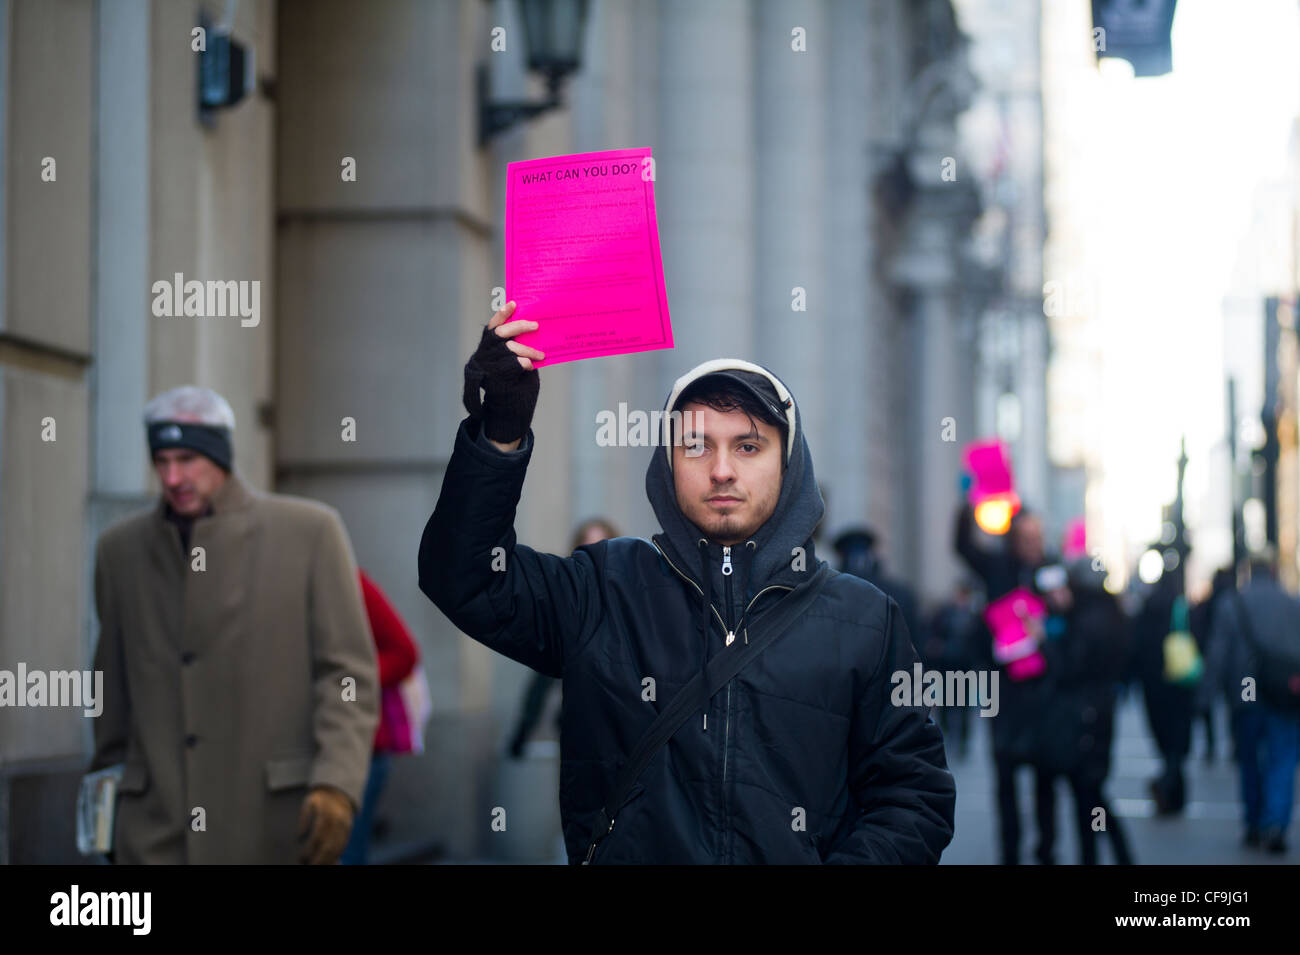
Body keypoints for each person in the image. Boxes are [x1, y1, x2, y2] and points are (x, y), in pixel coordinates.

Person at [419, 303, 956, 863]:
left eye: (748, 446)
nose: (721, 469)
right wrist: (499, 435)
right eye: (696, 445)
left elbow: (914, 796)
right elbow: (464, 576)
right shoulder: (602, 588)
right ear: (667, 462)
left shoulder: (864, 618)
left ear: (788, 462)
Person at [89, 386, 378, 864]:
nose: (173, 476)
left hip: (275, 825)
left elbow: (347, 674)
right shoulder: (119, 550)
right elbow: (111, 694)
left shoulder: (310, 532)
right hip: (153, 831)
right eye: (161, 461)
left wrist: (337, 783)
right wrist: (103, 818)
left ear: (221, 454)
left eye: (187, 458)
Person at [954, 502, 1064, 864]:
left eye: (1038, 537)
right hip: (1003, 692)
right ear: (1014, 539)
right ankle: (1011, 853)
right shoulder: (997, 567)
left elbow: (1071, 624)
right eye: (1026, 537)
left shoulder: (1052, 571)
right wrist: (967, 503)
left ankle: (1046, 850)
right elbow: (963, 546)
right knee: (1006, 779)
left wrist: (1050, 625)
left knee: (1045, 779)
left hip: (1044, 693)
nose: (1033, 544)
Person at [1200, 549, 1300, 853]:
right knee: (1282, 759)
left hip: (1246, 692)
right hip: (1284, 692)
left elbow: (1218, 653)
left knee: (1249, 760)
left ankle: (1254, 822)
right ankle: (1275, 823)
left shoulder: (1233, 603)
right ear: (1272, 570)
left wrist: (1206, 694)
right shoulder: (1291, 603)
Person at [1039, 556, 1135, 864]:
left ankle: (1110, 855)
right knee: (1091, 792)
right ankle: (1112, 855)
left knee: (1089, 794)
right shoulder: (1111, 614)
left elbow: (1069, 668)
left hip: (1084, 716)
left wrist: (1045, 643)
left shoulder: (1087, 619)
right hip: (1100, 711)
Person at [507, 518, 619, 760]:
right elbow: (542, 681)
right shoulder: (570, 608)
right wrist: (522, 733)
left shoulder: (632, 603)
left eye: (603, 546)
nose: (597, 557)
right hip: (583, 736)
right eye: (588, 549)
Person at [341, 569, 422, 865]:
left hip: (361, 748)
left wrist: (345, 682)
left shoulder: (351, 582)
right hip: (307, 751)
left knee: (346, 854)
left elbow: (405, 652)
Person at [1133, 563, 1195, 815]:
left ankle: (1170, 790)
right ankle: (1171, 788)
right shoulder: (1179, 607)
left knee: (1164, 738)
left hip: (1153, 683)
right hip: (1178, 681)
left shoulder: (1147, 606)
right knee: (1178, 740)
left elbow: (1136, 644)